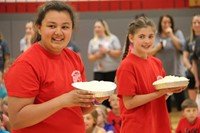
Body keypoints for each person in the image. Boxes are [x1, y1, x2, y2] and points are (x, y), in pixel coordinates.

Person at [4, 1, 107, 133]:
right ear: (39, 27)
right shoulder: (26, 64)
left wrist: (97, 100)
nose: (58, 32)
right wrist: (62, 101)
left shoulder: (74, 58)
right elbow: (17, 119)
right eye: (52, 26)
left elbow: (79, 109)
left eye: (65, 27)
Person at [116, 16, 186, 133]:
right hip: (137, 128)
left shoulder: (156, 62)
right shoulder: (127, 65)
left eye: (150, 36)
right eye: (142, 37)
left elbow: (160, 96)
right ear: (131, 38)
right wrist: (159, 93)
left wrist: (170, 90)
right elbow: (129, 103)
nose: (147, 41)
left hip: (158, 125)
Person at [149, 14, 186, 112]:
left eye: (169, 22)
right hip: (162, 75)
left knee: (181, 101)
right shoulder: (156, 36)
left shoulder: (177, 33)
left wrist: (171, 35)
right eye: (164, 22)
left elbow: (181, 47)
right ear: (160, 23)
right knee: (164, 103)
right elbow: (148, 53)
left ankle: (182, 125)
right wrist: (157, 48)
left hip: (176, 72)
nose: (167, 24)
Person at [87, 19, 122, 108]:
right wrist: (97, 55)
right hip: (99, 71)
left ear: (104, 28)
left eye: (99, 27)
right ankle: (101, 113)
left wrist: (107, 51)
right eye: (95, 27)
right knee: (99, 94)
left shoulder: (112, 38)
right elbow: (90, 58)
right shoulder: (92, 41)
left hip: (112, 70)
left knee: (112, 95)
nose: (96, 29)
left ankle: (113, 114)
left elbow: (119, 53)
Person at [183, 14, 200, 100]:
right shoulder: (188, 40)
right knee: (193, 102)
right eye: (194, 22)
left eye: (199, 22)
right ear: (192, 25)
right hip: (192, 73)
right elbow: (185, 58)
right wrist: (191, 68)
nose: (197, 24)